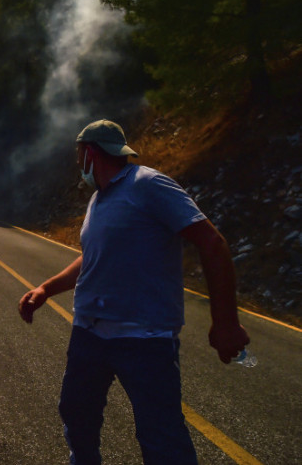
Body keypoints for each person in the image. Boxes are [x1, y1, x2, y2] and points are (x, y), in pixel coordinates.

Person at [18, 119, 250, 465]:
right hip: (90, 334)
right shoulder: (100, 198)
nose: (76, 163)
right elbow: (93, 257)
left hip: (143, 338)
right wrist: (46, 289)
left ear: (90, 153)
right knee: (76, 413)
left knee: (161, 437)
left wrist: (226, 322)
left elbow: (212, 243)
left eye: (78, 155)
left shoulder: (148, 184)